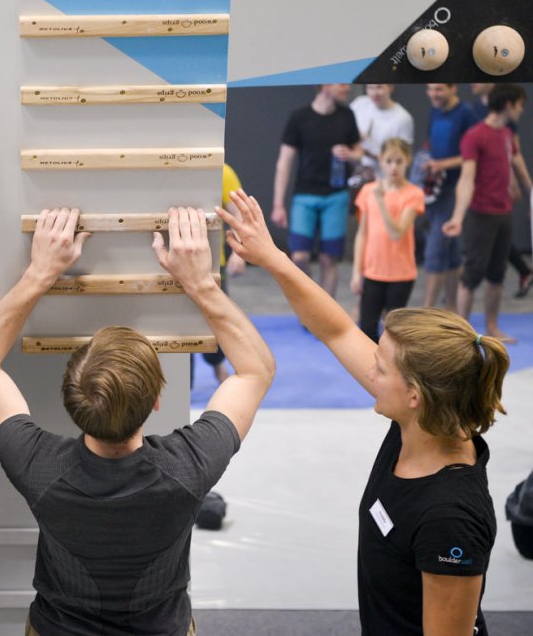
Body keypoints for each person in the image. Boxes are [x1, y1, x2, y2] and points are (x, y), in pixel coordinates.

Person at [0, 207, 275, 636]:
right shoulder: (188, 468)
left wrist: (39, 273)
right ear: (156, 403)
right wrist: (201, 283)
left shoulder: (41, 468)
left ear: (71, 401)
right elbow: (256, 370)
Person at [218, 189, 508, 636]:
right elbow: (335, 329)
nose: (370, 366)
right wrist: (271, 257)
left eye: (381, 365)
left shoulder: (450, 518)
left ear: (416, 394)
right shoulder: (420, 424)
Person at [443, 84, 527, 344]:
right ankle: (462, 331)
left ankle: (492, 326)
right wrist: (457, 217)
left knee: (497, 273)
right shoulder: (475, 135)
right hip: (481, 215)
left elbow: (516, 162)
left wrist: (529, 191)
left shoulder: (506, 134)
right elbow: (466, 179)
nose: (522, 110)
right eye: (520, 105)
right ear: (509, 105)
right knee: (472, 273)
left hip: (503, 213)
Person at [272, 84, 362, 298]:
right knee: (299, 257)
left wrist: (350, 153)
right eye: (341, 83)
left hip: (336, 197)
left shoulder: (347, 116)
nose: (347, 88)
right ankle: (310, 302)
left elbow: (359, 150)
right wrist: (278, 204)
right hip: (305, 196)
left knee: (329, 258)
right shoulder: (299, 118)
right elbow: (284, 162)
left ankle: (327, 312)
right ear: (325, 85)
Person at [351, 139, 425, 341]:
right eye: (389, 161)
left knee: (394, 332)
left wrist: (382, 202)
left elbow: (397, 233)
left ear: (407, 161)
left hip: (401, 274)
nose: (394, 166)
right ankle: (369, 370)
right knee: (367, 328)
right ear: (381, 161)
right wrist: (357, 272)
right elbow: (362, 233)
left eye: (399, 161)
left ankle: (392, 370)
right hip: (373, 272)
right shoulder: (368, 191)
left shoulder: (414, 194)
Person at [471, 83, 533, 298]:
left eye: (478, 80)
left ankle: (524, 271)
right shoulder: (475, 118)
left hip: (498, 203)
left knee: (497, 262)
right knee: (476, 268)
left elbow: (513, 156)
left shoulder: (507, 129)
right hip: (479, 203)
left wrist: (522, 189)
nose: (473, 84)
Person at [421, 84, 478, 310]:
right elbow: (431, 145)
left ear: (454, 88)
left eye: (439, 90)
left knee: (435, 252)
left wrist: (443, 164)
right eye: (430, 90)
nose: (434, 94)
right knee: (451, 254)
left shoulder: (466, 114)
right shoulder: (434, 111)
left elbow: (471, 156)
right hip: (435, 189)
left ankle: (426, 314)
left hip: (455, 190)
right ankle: (452, 311)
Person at [191, 163, 248, 388]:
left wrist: (238, 251)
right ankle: (184, 386)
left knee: (216, 321)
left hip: (213, 265)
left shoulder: (223, 172)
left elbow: (237, 214)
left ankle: (217, 366)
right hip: (173, 263)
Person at [350, 84, 415, 177]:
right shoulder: (359, 104)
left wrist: (366, 152)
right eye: (370, 88)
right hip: (355, 174)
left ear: (390, 87)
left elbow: (403, 158)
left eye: (379, 87)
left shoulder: (403, 118)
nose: (374, 93)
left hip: (383, 178)